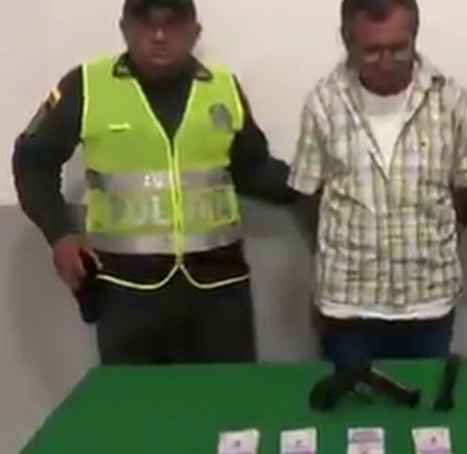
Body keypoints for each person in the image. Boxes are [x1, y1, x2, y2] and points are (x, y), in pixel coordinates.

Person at [11, 0, 297, 365]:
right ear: (124, 28)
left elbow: (253, 170)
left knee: (226, 397)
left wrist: (316, 185)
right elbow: (32, 160)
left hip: (217, 290)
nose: (159, 35)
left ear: (194, 32)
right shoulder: (86, 86)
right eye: (145, 23)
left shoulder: (223, 88)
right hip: (128, 293)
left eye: (171, 23)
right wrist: (59, 233)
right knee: (137, 399)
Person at [288, 0, 467, 365]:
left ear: (415, 36)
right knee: (350, 402)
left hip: (428, 301)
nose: (386, 62)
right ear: (347, 42)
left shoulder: (450, 100)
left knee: (427, 400)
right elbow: (307, 194)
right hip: (347, 306)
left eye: (399, 48)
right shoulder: (323, 103)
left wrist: (438, 231)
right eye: (371, 51)